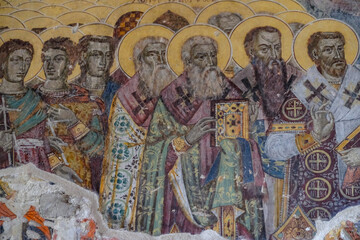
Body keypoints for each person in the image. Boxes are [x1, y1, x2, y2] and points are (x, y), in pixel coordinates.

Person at [134, 25, 265, 239]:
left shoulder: (232, 93)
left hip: (227, 202)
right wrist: (186, 140)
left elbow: (251, 148)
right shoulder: (170, 99)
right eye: (201, 57)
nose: (208, 63)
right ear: (188, 64)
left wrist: (248, 129)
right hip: (184, 200)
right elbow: (152, 155)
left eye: (212, 56)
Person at [265, 20, 360, 230]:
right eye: (328, 50)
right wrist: (313, 137)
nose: (337, 55)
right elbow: (273, 147)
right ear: (315, 56)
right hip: (314, 196)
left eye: (339, 48)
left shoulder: (358, 82)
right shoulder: (301, 93)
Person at [230, 16, 303, 236]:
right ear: (251, 52)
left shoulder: (296, 77)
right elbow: (229, 131)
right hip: (254, 163)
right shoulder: (238, 82)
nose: (272, 54)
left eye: (276, 47)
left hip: (293, 160)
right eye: (264, 48)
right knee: (263, 215)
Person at [99, 25, 175, 230]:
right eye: (152, 54)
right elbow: (121, 141)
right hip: (133, 178)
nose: (160, 60)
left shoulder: (175, 93)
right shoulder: (125, 96)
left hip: (167, 178)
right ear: (139, 61)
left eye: (163, 54)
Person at [0, 37, 79, 182]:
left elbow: (42, 143)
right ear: (3, 63)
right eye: (16, 60)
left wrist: (58, 167)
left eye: (26, 61)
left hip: (37, 167)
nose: (22, 67)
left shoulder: (35, 99)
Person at [36, 37, 106, 192]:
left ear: (70, 64)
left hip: (77, 173)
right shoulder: (31, 99)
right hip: (40, 173)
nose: (50, 65)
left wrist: (73, 121)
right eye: (46, 59)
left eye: (58, 59)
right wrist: (54, 164)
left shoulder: (85, 101)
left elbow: (99, 147)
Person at [73, 35, 120, 118]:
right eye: (96, 55)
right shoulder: (73, 90)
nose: (103, 62)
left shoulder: (117, 91)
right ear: (83, 56)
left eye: (107, 55)